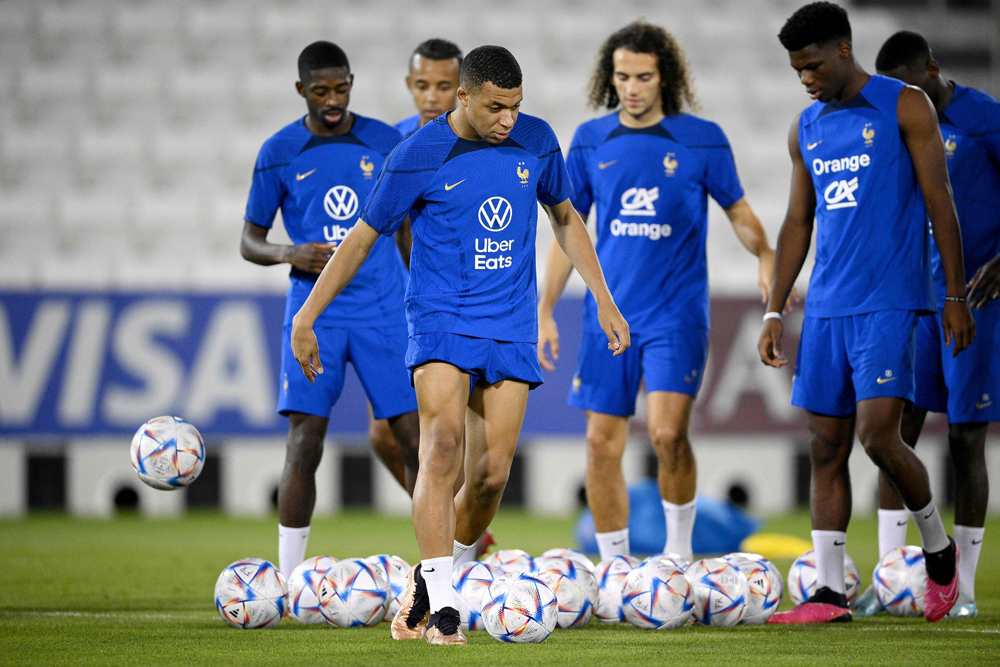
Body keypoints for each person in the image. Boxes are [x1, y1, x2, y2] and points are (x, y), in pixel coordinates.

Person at [291, 45, 629, 645]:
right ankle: (446, 604)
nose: (507, 119)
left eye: (516, 107)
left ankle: (427, 583)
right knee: (441, 445)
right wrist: (308, 315)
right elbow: (362, 239)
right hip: (440, 321)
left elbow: (566, 217)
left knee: (493, 475)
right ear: (464, 97)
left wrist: (603, 297)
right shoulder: (418, 154)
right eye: (496, 108)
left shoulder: (537, 140)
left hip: (510, 327)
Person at [538, 21, 787, 562]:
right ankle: (615, 568)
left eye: (643, 76)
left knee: (669, 435)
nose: (631, 87)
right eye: (622, 76)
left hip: (677, 314)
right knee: (602, 443)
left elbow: (740, 214)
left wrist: (766, 253)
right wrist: (545, 308)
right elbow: (567, 229)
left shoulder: (702, 138)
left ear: (664, 77)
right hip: (610, 317)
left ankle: (676, 560)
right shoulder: (590, 140)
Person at [759, 2, 976, 624]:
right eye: (796, 70)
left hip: (889, 300)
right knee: (824, 447)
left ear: (844, 50)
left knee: (880, 438)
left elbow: (942, 205)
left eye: (812, 65)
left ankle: (936, 548)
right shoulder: (807, 126)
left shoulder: (906, 105)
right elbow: (799, 221)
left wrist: (954, 296)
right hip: (826, 307)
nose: (805, 78)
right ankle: (828, 594)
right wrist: (775, 309)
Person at [239, 41, 420, 576]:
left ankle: (446, 569)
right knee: (305, 440)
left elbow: (408, 224)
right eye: (321, 91)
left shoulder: (386, 141)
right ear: (302, 92)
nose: (333, 99)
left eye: (341, 88)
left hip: (385, 308)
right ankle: (291, 578)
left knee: (415, 439)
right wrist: (289, 252)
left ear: (351, 83)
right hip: (314, 313)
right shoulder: (279, 151)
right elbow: (250, 240)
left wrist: (419, 290)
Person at [851, 30, 1000, 619]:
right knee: (895, 432)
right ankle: (891, 579)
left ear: (934, 70)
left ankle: (961, 590)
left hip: (977, 301)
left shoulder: (985, 119)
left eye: (914, 86)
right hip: (914, 298)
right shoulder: (895, 122)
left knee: (964, 438)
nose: (906, 98)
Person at [397, 38, 463, 139]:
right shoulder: (394, 138)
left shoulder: (484, 143)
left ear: (462, 88)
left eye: (443, 88)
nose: (431, 98)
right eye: (422, 87)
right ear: (409, 84)